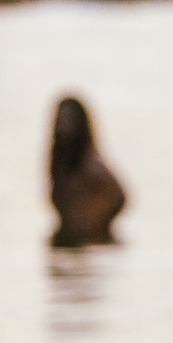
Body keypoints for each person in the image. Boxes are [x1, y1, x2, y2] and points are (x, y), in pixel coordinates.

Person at [49, 95, 127, 245]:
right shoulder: (62, 164)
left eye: (69, 120)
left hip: (92, 240)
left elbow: (119, 197)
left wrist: (96, 220)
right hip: (71, 240)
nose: (64, 126)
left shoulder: (90, 164)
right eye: (61, 120)